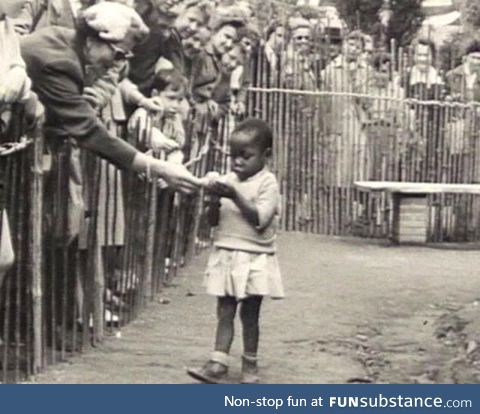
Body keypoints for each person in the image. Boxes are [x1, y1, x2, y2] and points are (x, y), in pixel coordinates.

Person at [20, 1, 201, 192]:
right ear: (92, 41)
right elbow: (88, 130)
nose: (118, 64)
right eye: (118, 55)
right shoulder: (60, 64)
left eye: (125, 57)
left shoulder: (63, 40)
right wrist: (159, 167)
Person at [187, 118, 284, 384]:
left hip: (255, 256)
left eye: (246, 156)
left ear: (266, 155)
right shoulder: (228, 181)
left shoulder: (268, 183)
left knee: (250, 315)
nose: (237, 162)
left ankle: (250, 365)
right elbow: (213, 222)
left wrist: (234, 194)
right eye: (233, 156)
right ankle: (218, 362)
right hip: (227, 253)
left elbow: (260, 219)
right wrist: (214, 201)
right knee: (225, 310)